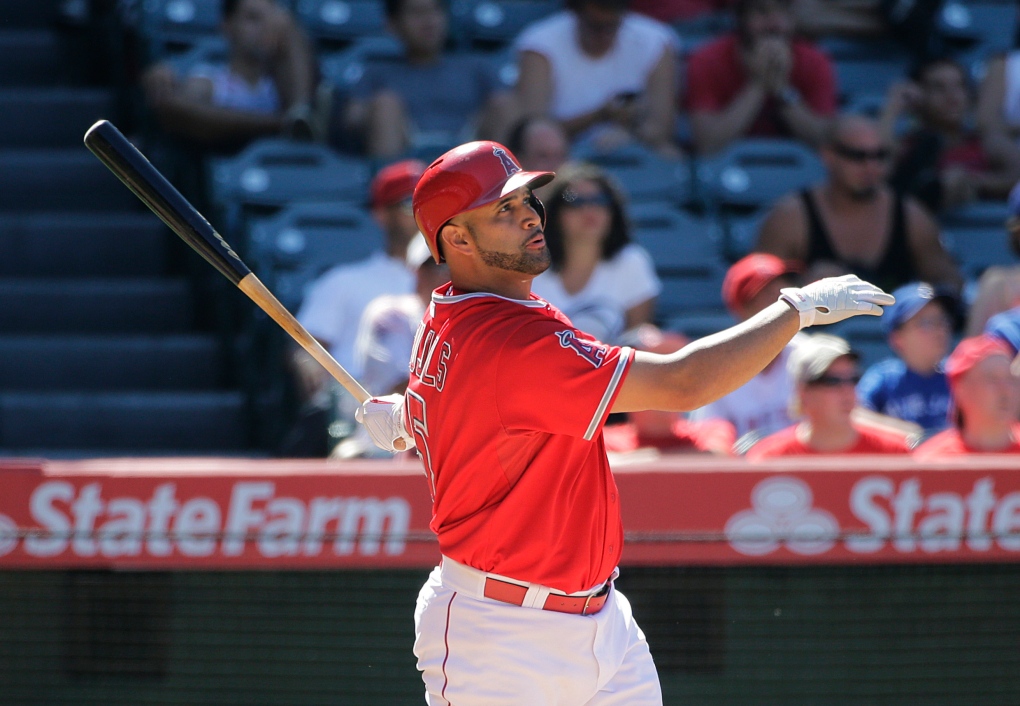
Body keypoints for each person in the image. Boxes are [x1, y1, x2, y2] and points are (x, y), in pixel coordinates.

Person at [353, 139, 894, 704]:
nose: (531, 217)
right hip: (502, 638)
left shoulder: (452, 307)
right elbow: (684, 383)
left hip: (600, 617)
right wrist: (795, 311)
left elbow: (473, 403)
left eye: (525, 200)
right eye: (502, 211)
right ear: (457, 239)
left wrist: (414, 415)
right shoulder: (514, 340)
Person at [756, 114, 962, 294]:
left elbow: (950, 284)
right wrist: (804, 291)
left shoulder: (911, 217)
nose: (870, 167)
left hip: (888, 336)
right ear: (828, 156)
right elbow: (754, 294)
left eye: (878, 156)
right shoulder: (791, 218)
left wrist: (914, 302)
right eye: (857, 156)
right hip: (809, 335)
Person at [292, 159, 425, 402]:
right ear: (381, 213)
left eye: (430, 204)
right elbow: (306, 349)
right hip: (360, 405)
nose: (422, 213)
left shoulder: (455, 280)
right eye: (409, 203)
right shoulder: (343, 281)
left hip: (431, 406)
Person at [343, 0, 518, 158]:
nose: (429, 21)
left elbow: (514, 117)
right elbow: (352, 119)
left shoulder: (476, 66)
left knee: (502, 102)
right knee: (385, 104)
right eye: (416, 13)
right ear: (393, 24)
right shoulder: (377, 70)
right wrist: (380, 109)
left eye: (436, 10)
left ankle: (502, 187)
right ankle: (394, 188)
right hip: (404, 157)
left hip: (472, 150)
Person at [142, 0, 318, 151]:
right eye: (252, 18)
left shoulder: (286, 81)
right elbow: (176, 108)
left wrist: (286, 27)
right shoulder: (211, 79)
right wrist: (279, 124)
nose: (264, 27)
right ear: (227, 25)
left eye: (269, 20)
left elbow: (293, 40)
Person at [333, 235, 450, 459]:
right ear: (416, 273)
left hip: (452, 447)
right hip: (389, 444)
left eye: (454, 267)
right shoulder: (390, 315)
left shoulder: (478, 322)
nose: (449, 277)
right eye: (439, 268)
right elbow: (401, 389)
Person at [515, 0, 681, 155]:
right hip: (562, 152)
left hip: (635, 149)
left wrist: (630, 134)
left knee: (670, 155)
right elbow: (533, 132)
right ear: (576, 14)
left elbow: (661, 128)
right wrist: (600, 115)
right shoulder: (540, 43)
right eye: (595, 26)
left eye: (612, 26)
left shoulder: (655, 41)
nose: (604, 35)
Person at [529, 161, 661, 344]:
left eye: (600, 201)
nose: (589, 210)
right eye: (574, 200)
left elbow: (637, 339)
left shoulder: (632, 261)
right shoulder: (530, 266)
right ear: (554, 213)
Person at [684, 0, 836, 155]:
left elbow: (823, 142)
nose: (773, 23)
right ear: (741, 17)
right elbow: (707, 145)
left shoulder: (815, 61)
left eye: (783, 11)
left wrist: (781, 88)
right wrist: (757, 84)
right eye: (761, 11)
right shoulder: (707, 60)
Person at [688, 253, 804, 440]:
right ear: (742, 308)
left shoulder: (811, 353)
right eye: (767, 294)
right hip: (740, 466)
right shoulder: (717, 366)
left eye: (784, 293)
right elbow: (707, 436)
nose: (780, 303)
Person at [747, 333, 914, 459]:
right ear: (803, 392)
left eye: (853, 379)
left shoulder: (895, 455)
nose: (846, 389)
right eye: (833, 381)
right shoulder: (769, 458)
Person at [886, 57, 1020, 213]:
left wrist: (972, 181)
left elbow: (1016, 175)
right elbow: (880, 165)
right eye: (939, 87)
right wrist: (892, 108)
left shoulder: (984, 141)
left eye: (959, 86)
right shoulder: (909, 144)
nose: (952, 96)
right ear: (919, 95)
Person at [856, 282, 955, 436]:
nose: (940, 330)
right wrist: (909, 433)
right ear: (897, 338)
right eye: (926, 323)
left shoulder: (959, 373)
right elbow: (855, 414)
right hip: (901, 457)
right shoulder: (885, 377)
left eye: (942, 320)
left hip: (952, 458)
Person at [913, 335, 1020, 458]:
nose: (1005, 389)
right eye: (992, 379)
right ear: (960, 389)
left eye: (1010, 379)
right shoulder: (934, 462)